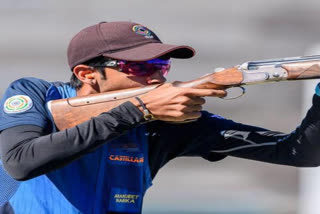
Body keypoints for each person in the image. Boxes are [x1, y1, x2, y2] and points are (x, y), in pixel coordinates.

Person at [0, 21, 320, 214]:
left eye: (161, 67)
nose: (156, 78)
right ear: (86, 73)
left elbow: (297, 152)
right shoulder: (38, 95)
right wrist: (139, 110)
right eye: (139, 67)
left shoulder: (165, 124)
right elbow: (20, 162)